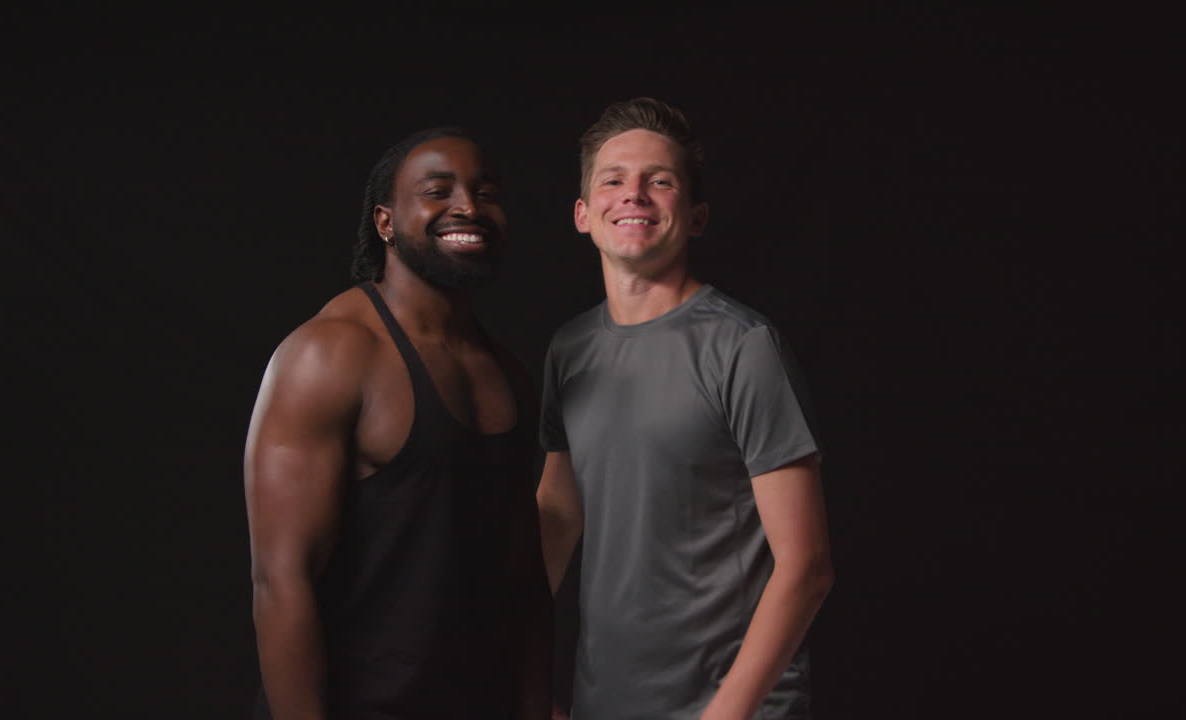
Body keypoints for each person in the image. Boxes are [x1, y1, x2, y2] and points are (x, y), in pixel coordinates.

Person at [536, 98, 834, 720]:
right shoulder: (568, 350)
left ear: (695, 217)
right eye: (613, 180)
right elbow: (559, 516)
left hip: (732, 708)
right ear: (583, 214)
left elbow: (806, 566)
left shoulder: (744, 346)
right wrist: (511, 676)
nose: (634, 195)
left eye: (659, 181)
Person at [244, 127, 551, 720]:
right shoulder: (330, 354)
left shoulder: (505, 371)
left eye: (484, 192)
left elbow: (525, 588)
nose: (467, 206)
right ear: (385, 222)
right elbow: (280, 583)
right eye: (439, 190)